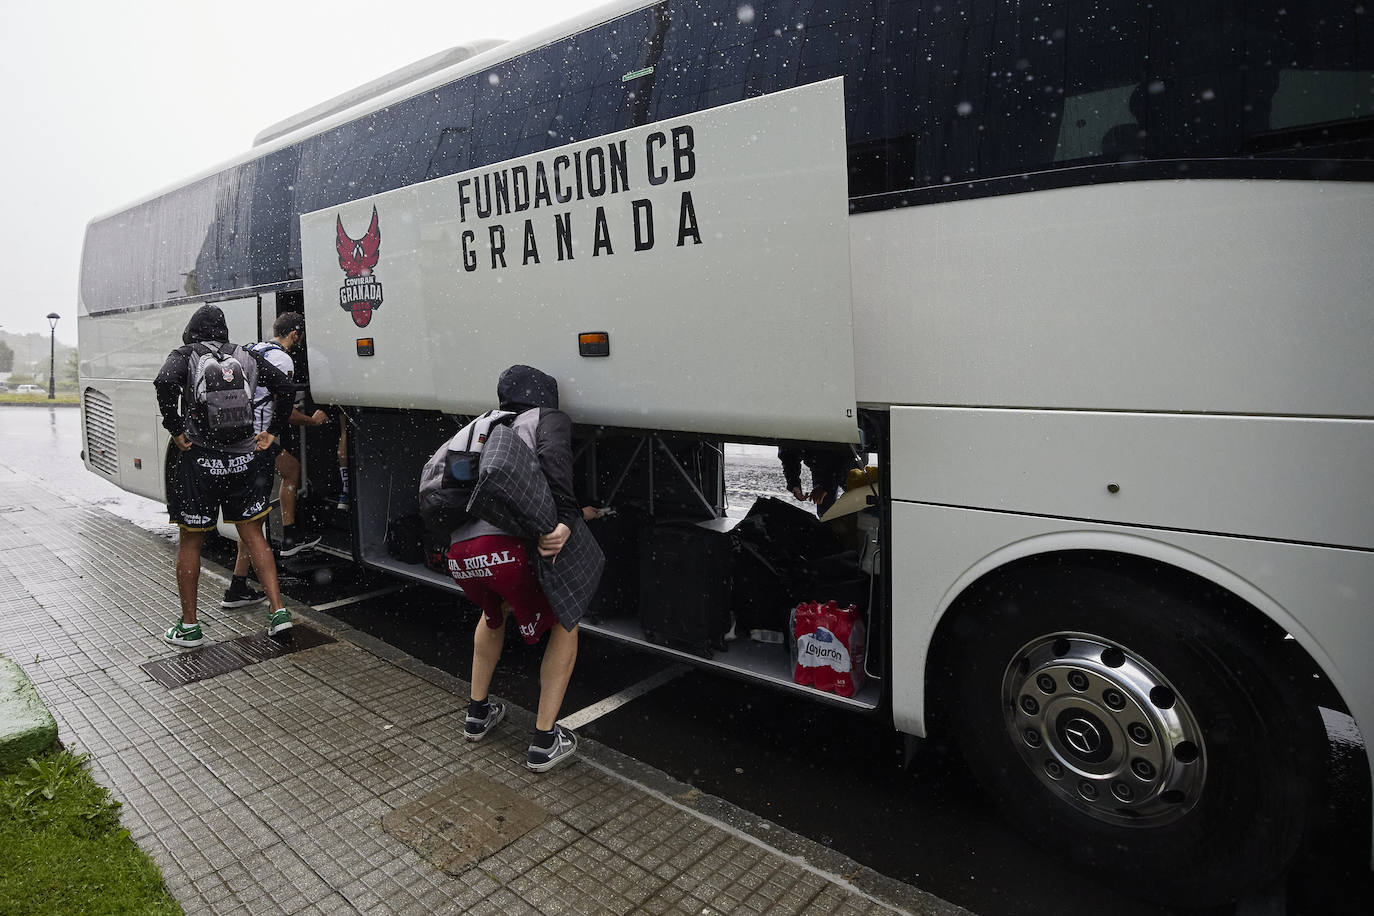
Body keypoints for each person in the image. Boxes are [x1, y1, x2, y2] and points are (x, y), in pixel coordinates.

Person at [447, 365, 584, 772]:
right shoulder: (545, 418)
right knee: (565, 621)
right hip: (507, 550)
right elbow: (555, 464)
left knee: (493, 616)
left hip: (463, 550)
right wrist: (568, 518)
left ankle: (476, 714)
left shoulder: (483, 424)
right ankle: (544, 741)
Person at [153, 304, 296, 647]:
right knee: (253, 535)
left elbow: (163, 382)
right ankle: (278, 613)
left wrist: (175, 428)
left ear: (192, 330)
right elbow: (286, 388)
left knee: (191, 540)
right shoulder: (245, 355)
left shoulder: (185, 355)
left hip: (198, 462)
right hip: (244, 462)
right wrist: (272, 432)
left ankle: (189, 626)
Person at [221, 312, 327, 608]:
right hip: (257, 442)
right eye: (301, 337)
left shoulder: (254, 349)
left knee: (288, 472)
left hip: (243, 438)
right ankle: (287, 545)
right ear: (295, 335)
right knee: (253, 521)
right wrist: (313, 421)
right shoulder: (282, 360)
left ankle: (239, 586)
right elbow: (288, 411)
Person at [778, 444, 863, 516]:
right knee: (825, 512)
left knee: (860, 503)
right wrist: (794, 485)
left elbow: (849, 458)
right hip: (819, 462)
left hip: (849, 459)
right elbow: (789, 456)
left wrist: (826, 487)